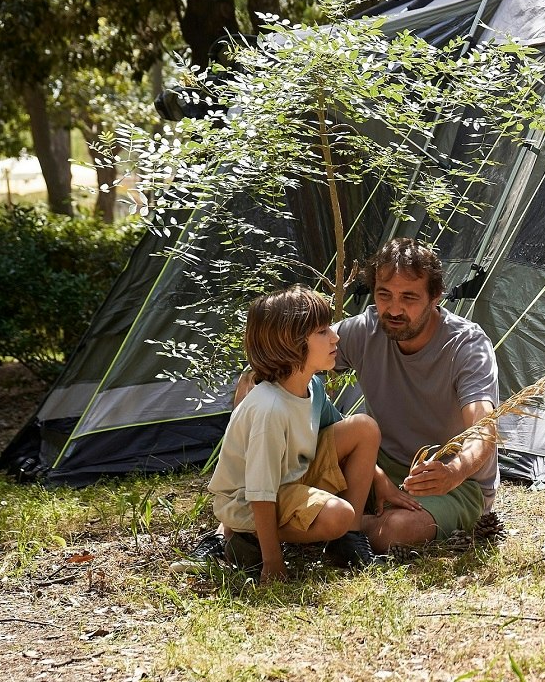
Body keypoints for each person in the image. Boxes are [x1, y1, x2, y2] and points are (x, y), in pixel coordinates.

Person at [330, 237, 503, 553]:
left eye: (408, 297)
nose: (394, 309)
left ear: (435, 297)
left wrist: (455, 470)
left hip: (452, 480)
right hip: (378, 465)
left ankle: (335, 526)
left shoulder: (466, 346)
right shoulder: (365, 329)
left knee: (396, 531)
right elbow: (298, 360)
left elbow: (483, 428)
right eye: (384, 295)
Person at [207, 287, 384, 582]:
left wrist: (382, 481)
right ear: (290, 343)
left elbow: (343, 435)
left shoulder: (311, 387)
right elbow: (260, 492)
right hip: (249, 502)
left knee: (364, 427)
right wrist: (273, 561)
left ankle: (347, 541)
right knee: (337, 515)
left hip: (289, 481)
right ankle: (246, 540)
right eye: (322, 332)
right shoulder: (269, 409)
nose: (335, 337)